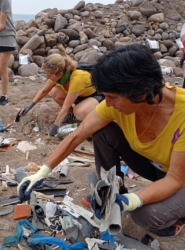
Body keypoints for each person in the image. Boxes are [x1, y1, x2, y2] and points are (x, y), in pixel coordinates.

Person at [18, 44, 185, 237]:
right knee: (103, 131)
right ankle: (113, 191)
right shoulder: (116, 104)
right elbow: (76, 136)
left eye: (112, 97)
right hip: (158, 167)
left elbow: (175, 179)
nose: (108, 103)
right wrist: (42, 172)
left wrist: (130, 201)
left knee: (145, 215)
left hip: (179, 177)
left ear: (140, 92)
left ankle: (175, 221)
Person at [17, 44, 104, 136]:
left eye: (49, 75)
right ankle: (71, 117)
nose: (47, 78)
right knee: (54, 91)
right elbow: (44, 91)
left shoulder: (77, 78)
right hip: (79, 95)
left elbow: (65, 106)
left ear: (59, 74)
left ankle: (87, 119)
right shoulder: (60, 75)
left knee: (78, 112)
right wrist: (30, 105)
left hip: (95, 96)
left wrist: (55, 127)